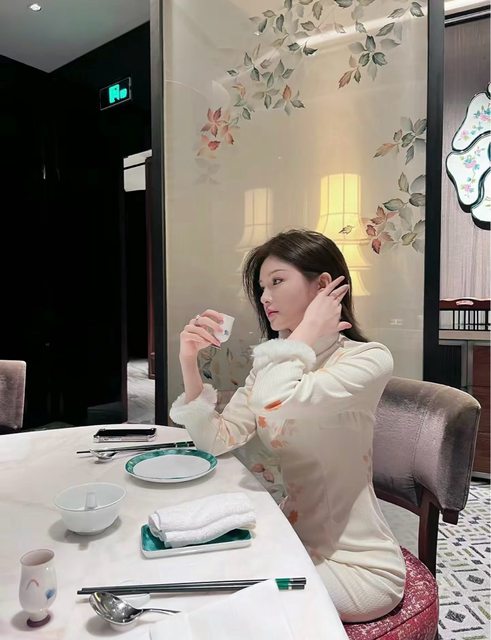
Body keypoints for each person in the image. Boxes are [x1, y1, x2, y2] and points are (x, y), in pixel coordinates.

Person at [170, 229, 406, 623]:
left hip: (357, 565)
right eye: (262, 287)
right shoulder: (274, 364)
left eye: (277, 281)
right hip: (290, 539)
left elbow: (275, 404)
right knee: (198, 577)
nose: (264, 297)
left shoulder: (367, 360)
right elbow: (215, 440)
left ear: (324, 285)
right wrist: (188, 362)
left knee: (226, 603)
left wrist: (307, 332)